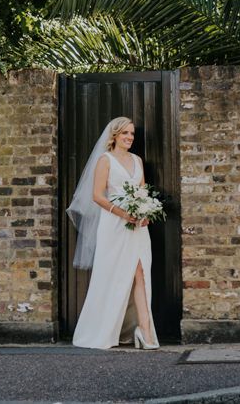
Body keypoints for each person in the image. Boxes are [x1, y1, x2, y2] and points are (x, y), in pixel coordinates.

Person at [67, 116, 159, 350]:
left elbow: (143, 191)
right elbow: (97, 195)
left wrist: (145, 211)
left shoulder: (137, 160)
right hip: (113, 225)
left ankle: (145, 330)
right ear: (115, 135)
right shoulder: (105, 160)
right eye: (125, 133)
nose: (129, 137)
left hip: (137, 226)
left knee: (141, 273)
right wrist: (122, 213)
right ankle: (103, 329)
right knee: (114, 276)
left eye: (132, 134)